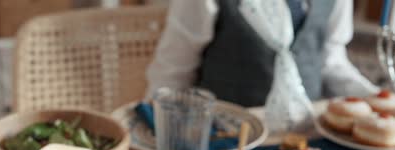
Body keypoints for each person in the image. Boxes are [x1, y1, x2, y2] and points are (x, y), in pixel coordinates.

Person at [146, 0, 378, 131]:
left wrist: (375, 97)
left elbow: (331, 61)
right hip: (226, 142)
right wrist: (158, 131)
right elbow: (171, 74)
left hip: (311, 137)